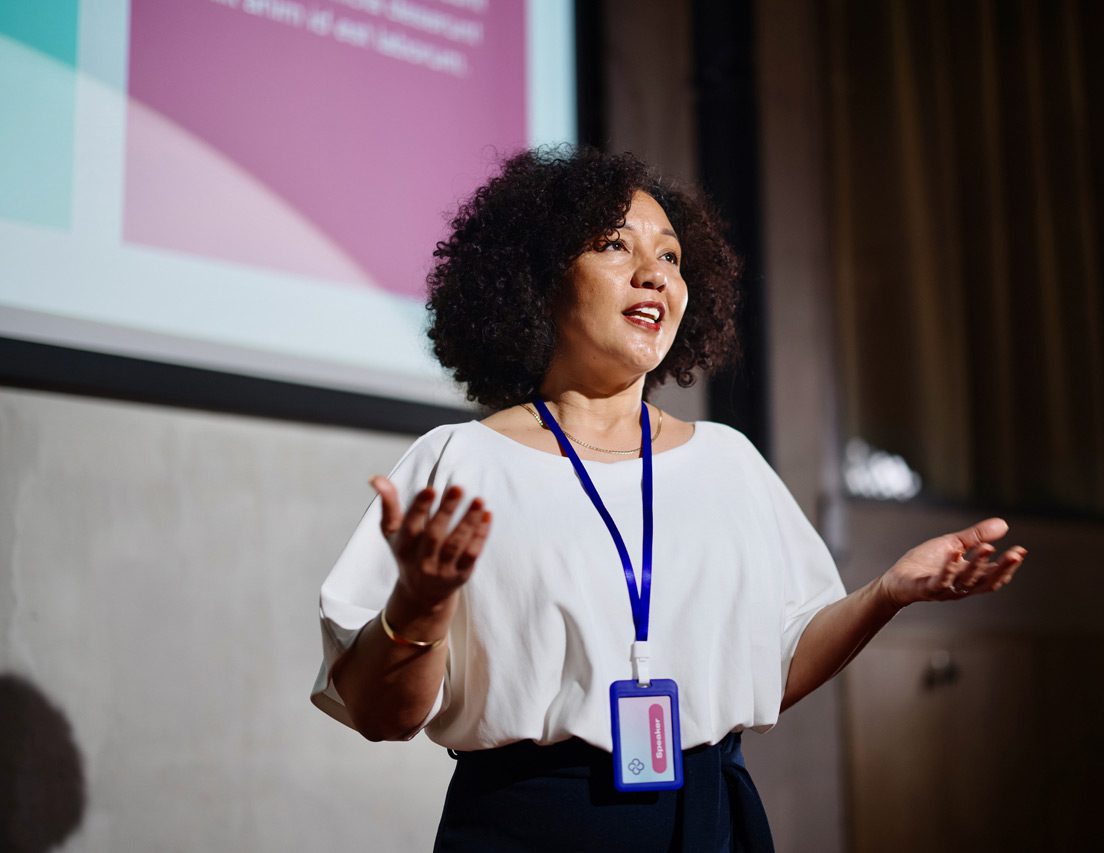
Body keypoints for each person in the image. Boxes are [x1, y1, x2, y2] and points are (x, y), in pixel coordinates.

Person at [310, 147, 1027, 851]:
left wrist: (888, 592)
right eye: (615, 246)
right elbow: (381, 715)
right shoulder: (461, 461)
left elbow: (771, 669)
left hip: (712, 817)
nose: (654, 274)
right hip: (534, 824)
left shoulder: (729, 460)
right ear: (540, 279)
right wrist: (423, 602)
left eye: (673, 258)